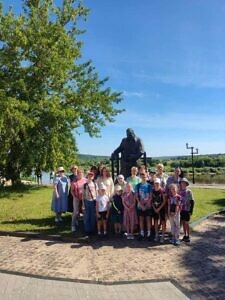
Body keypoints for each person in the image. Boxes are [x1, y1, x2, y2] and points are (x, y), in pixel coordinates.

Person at [135, 172, 152, 239]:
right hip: (140, 205)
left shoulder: (149, 186)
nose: (143, 178)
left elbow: (150, 196)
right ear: (140, 177)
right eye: (142, 177)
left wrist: (146, 204)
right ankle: (142, 233)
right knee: (141, 219)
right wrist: (141, 205)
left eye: (144, 177)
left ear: (146, 177)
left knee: (148, 219)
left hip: (148, 205)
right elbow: (136, 196)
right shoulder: (137, 185)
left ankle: (148, 233)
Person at [82, 171, 98, 235]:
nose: (90, 177)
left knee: (93, 216)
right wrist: (83, 204)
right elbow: (83, 195)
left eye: (91, 176)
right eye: (89, 176)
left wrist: (96, 202)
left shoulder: (95, 184)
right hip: (86, 201)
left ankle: (92, 229)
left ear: (93, 177)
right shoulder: (85, 185)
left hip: (93, 201)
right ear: (87, 176)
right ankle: (87, 230)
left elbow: (96, 194)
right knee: (87, 216)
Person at [150, 178, 167, 243]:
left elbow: (164, 201)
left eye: (157, 183)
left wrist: (159, 208)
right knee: (155, 221)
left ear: (159, 183)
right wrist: (154, 208)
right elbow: (151, 200)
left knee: (163, 221)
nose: (156, 184)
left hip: (161, 208)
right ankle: (156, 235)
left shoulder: (162, 191)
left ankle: (162, 236)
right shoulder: (152, 190)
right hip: (155, 208)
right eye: (155, 183)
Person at [179, 178, 195, 243]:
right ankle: (185, 235)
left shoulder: (189, 191)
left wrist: (191, 211)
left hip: (187, 210)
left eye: (184, 183)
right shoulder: (179, 191)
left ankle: (188, 236)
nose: (183, 184)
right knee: (183, 223)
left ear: (186, 184)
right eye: (182, 183)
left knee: (186, 223)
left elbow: (192, 201)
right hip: (181, 210)